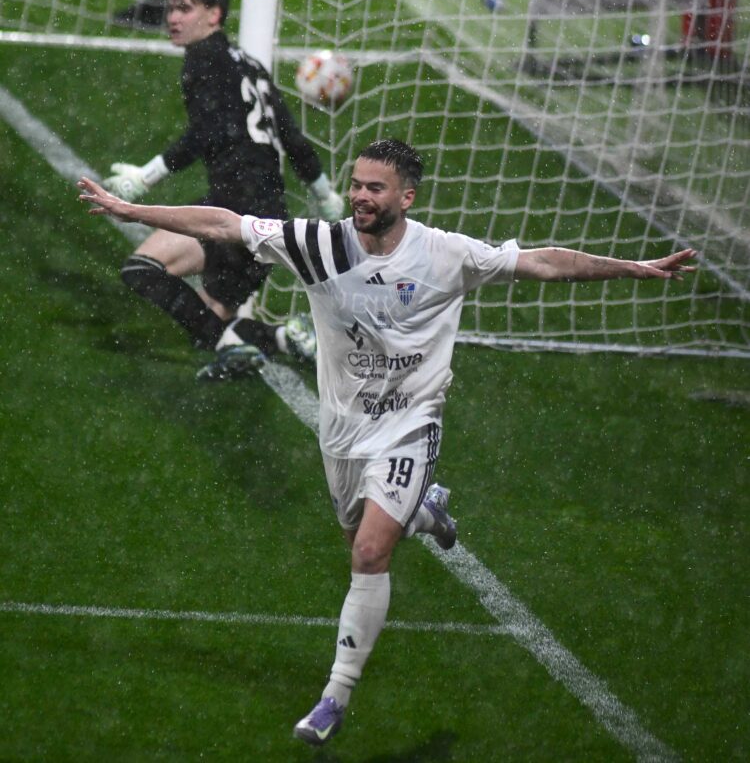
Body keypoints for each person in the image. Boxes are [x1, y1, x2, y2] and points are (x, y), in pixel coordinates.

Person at [78, 139, 696, 746]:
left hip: (410, 425)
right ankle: (426, 511)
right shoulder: (318, 244)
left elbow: (542, 262)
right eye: (356, 185)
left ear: (407, 195)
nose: (360, 197)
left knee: (370, 555)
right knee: (363, 537)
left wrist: (633, 268)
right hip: (343, 432)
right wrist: (135, 211)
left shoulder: (445, 254)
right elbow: (223, 223)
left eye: (374, 188)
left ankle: (334, 696)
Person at [102, 0, 344, 378]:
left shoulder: (203, 60)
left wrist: (145, 178)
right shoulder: (249, 65)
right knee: (207, 318)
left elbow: (206, 133)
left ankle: (232, 351)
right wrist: (325, 194)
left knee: (141, 270)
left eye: (184, 9)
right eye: (170, 8)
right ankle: (285, 338)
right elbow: (292, 137)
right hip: (271, 217)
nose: (172, 18)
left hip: (232, 210)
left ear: (213, 15)